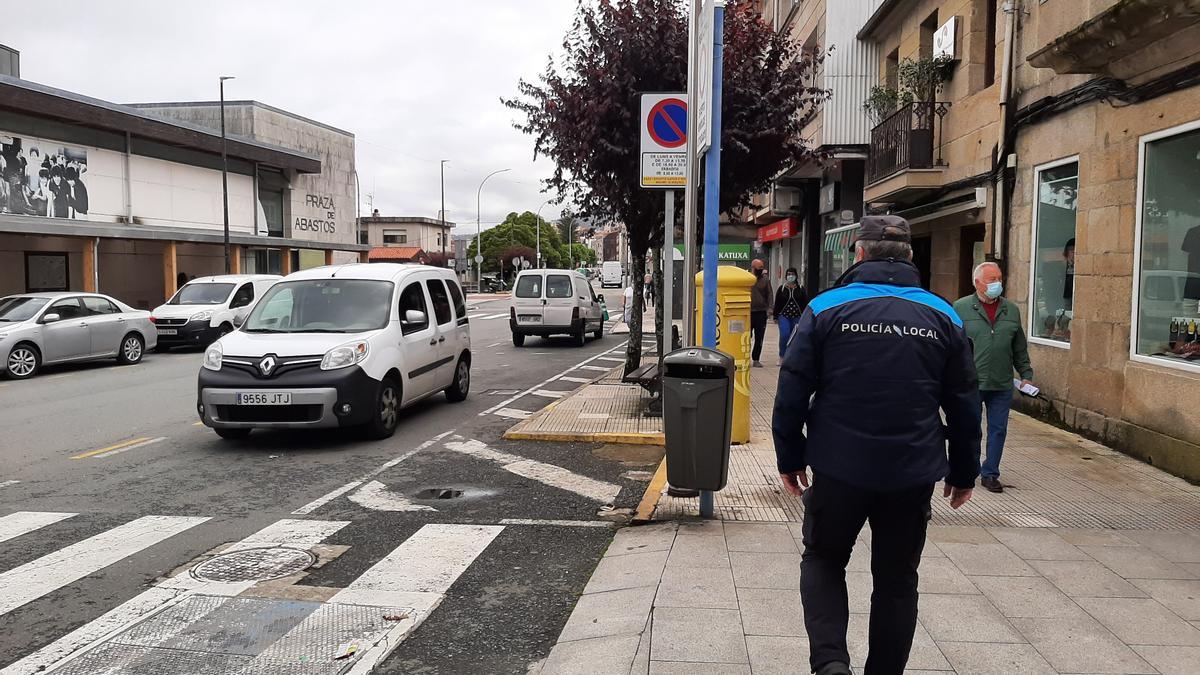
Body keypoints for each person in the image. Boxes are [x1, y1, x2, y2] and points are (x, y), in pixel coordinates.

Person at [773, 215, 981, 675]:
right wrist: (965, 471)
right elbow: (965, 401)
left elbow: (792, 388)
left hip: (838, 466)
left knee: (825, 559)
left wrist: (790, 454)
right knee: (897, 580)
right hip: (911, 471)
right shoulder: (943, 314)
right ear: (910, 257)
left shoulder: (827, 308)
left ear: (859, 254)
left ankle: (830, 665)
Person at [953, 262, 1034, 494]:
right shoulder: (961, 308)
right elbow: (952, 346)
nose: (996, 283)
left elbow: (1019, 347)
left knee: (998, 429)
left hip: (1001, 382)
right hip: (971, 382)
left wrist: (1026, 375)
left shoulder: (1011, 310)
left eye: (998, 278)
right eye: (991, 280)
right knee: (971, 429)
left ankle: (990, 473)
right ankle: (969, 469)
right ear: (977, 283)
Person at [772, 267, 808, 362]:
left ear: (796, 276)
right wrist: (775, 316)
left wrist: (806, 316)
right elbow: (777, 303)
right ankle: (782, 356)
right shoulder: (782, 289)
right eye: (788, 274)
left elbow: (805, 303)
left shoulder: (800, 288)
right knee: (785, 335)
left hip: (797, 316)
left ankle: (793, 356)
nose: (790, 276)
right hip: (784, 316)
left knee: (795, 337)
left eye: (792, 274)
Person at [749, 258, 771, 367]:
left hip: (761, 312)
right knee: (746, 336)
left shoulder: (765, 280)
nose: (760, 270)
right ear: (753, 267)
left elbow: (769, 294)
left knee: (759, 337)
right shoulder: (747, 278)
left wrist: (769, 309)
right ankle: (744, 356)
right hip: (748, 313)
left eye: (762, 268)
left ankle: (756, 358)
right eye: (759, 268)